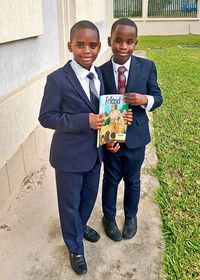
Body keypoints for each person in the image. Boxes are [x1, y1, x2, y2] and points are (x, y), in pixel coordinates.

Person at [38, 20, 105, 275]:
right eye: (80, 45)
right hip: (68, 157)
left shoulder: (98, 74)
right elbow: (46, 117)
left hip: (95, 153)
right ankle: (74, 246)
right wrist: (83, 121)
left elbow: (102, 111)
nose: (86, 50)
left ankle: (81, 225)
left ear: (99, 47)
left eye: (92, 45)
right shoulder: (57, 80)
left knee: (88, 198)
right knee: (69, 203)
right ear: (70, 46)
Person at [100, 18, 163, 242]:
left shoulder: (147, 67)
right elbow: (99, 106)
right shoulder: (100, 72)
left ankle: (130, 216)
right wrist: (107, 138)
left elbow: (158, 98)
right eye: (118, 41)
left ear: (135, 43)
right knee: (110, 179)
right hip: (111, 140)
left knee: (133, 180)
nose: (123, 46)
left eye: (129, 42)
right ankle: (108, 217)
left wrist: (143, 99)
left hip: (136, 137)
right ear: (110, 41)